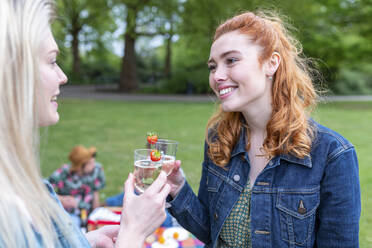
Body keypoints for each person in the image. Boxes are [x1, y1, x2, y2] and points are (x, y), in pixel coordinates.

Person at [165, 11, 361, 247]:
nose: (217, 75)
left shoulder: (332, 154)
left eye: (231, 60)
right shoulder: (220, 139)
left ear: (271, 63)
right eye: (212, 66)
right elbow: (211, 231)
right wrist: (177, 189)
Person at [0, 0, 170, 247]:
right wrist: (133, 233)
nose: (63, 76)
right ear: (14, 73)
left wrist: (80, 241)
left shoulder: (16, 181)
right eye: (51, 61)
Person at [49, 145, 106, 228]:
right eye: (90, 163)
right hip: (66, 213)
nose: (93, 164)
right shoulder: (64, 173)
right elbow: (43, 189)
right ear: (80, 166)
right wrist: (62, 199)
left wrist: (95, 215)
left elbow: (95, 194)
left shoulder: (96, 170)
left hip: (85, 214)